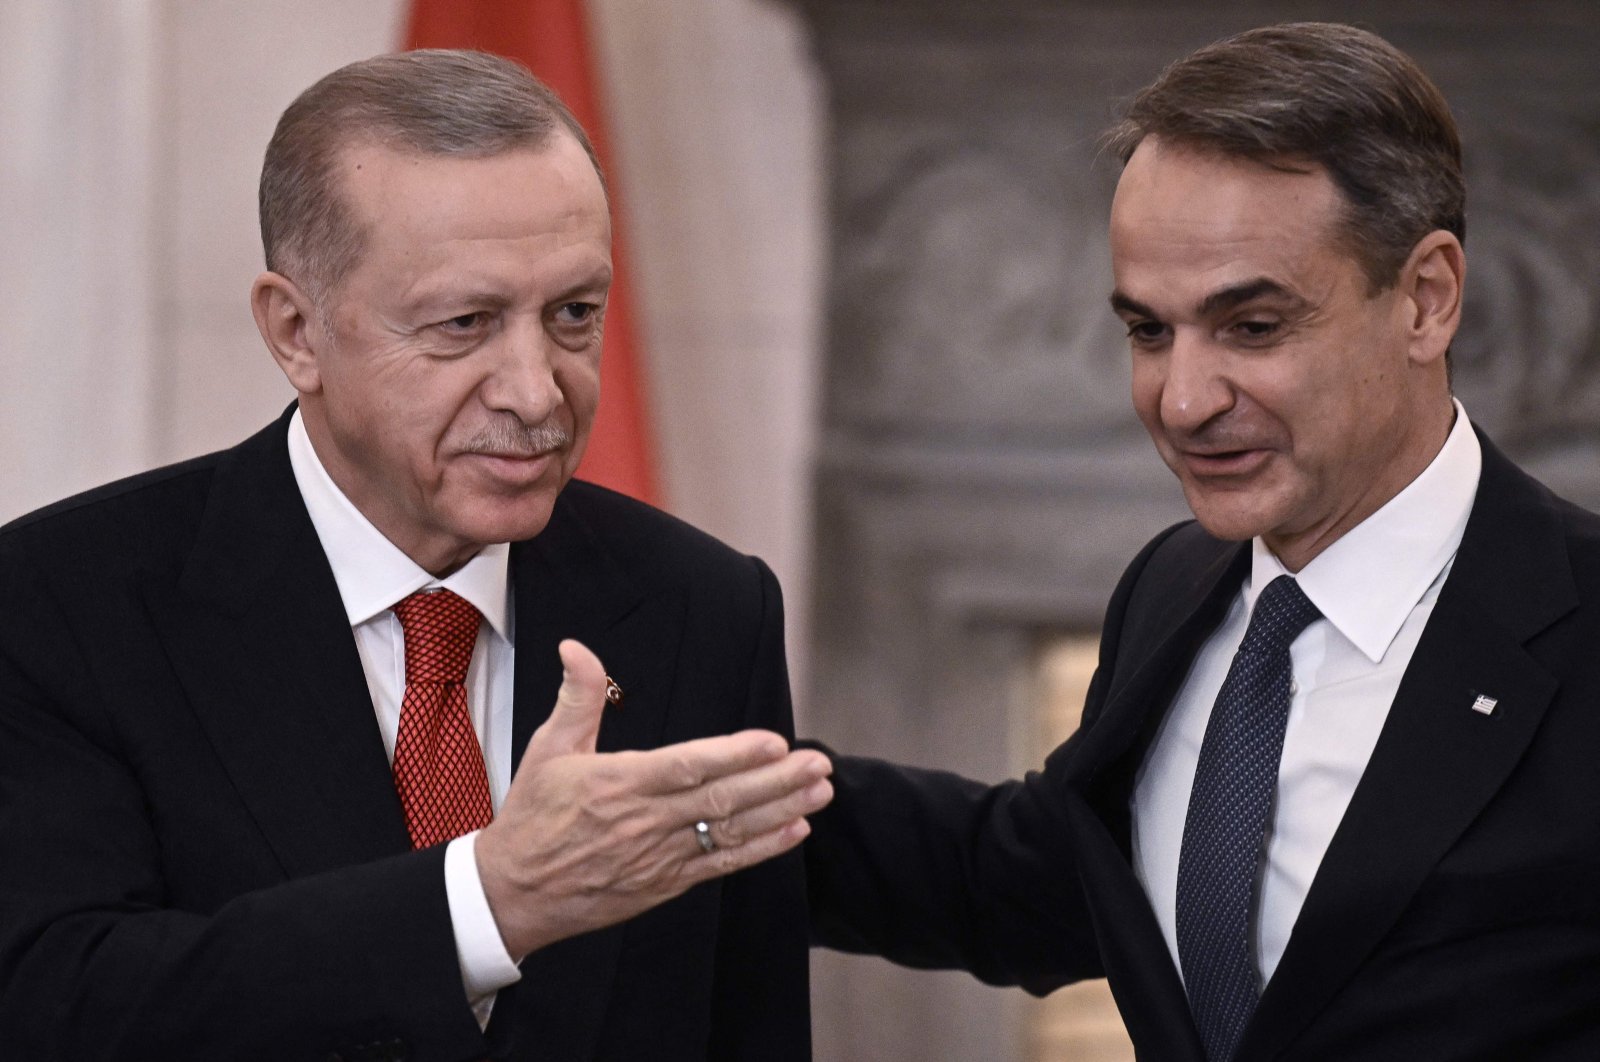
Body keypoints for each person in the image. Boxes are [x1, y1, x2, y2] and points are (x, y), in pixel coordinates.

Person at [0, 50, 830, 1062]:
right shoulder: (57, 606)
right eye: (463, 324)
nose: (536, 391)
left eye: (573, 314)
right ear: (296, 332)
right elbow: (59, 1008)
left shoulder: (703, 606)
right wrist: (484, 907)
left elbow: (747, 1027)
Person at [805, 22, 1600, 1061]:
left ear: (1425, 298)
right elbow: (1042, 879)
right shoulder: (1173, 588)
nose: (1180, 401)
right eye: (1147, 331)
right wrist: (701, 804)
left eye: (1252, 327)